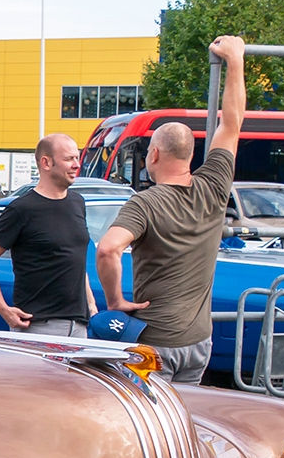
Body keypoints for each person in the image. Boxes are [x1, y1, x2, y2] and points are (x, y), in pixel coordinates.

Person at [96, 35, 247, 383]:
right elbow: (232, 123)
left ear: (155, 155)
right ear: (191, 155)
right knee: (185, 423)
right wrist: (235, 61)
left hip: (156, 343)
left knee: (150, 429)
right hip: (198, 342)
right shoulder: (213, 186)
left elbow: (108, 249)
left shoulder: (145, 203)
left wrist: (116, 301)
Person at [0, 133, 97, 337]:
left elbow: (74, 259)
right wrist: (3, 309)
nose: (76, 165)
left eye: (77, 157)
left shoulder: (78, 203)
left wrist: (91, 305)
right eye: (69, 159)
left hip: (79, 326)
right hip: (38, 327)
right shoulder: (21, 209)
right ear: (46, 163)